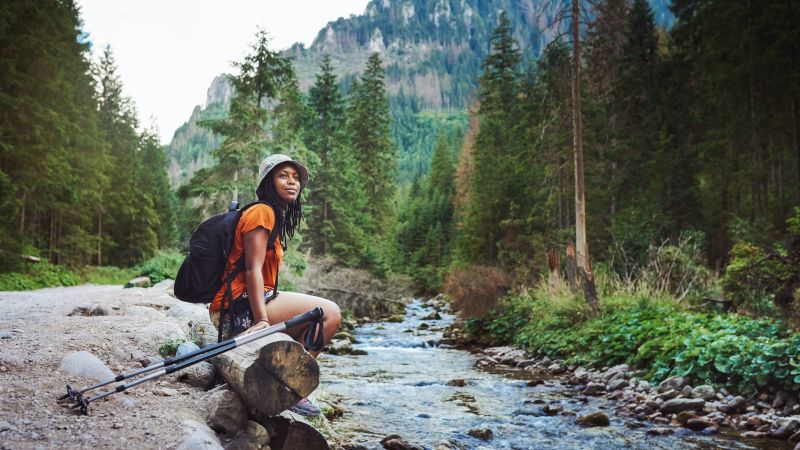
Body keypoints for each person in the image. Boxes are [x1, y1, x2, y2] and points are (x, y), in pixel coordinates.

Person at [209, 153, 341, 417]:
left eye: (295, 178)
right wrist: (261, 321)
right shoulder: (262, 212)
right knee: (330, 314)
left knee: (318, 315)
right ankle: (292, 387)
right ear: (268, 182)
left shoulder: (271, 215)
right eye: (283, 176)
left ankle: (280, 384)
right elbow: (251, 269)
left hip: (243, 304)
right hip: (240, 309)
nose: (292, 182)